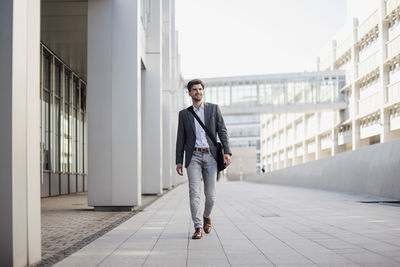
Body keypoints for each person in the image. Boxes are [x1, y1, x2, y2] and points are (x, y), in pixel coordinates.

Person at [176, 79, 232, 239]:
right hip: (193, 156)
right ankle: (198, 227)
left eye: (200, 89)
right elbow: (180, 138)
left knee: (211, 195)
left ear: (203, 91)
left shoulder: (213, 109)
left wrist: (227, 152)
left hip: (211, 156)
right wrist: (179, 160)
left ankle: (207, 216)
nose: (198, 92)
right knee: (194, 193)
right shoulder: (184, 114)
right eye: (194, 89)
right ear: (189, 93)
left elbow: (222, 130)